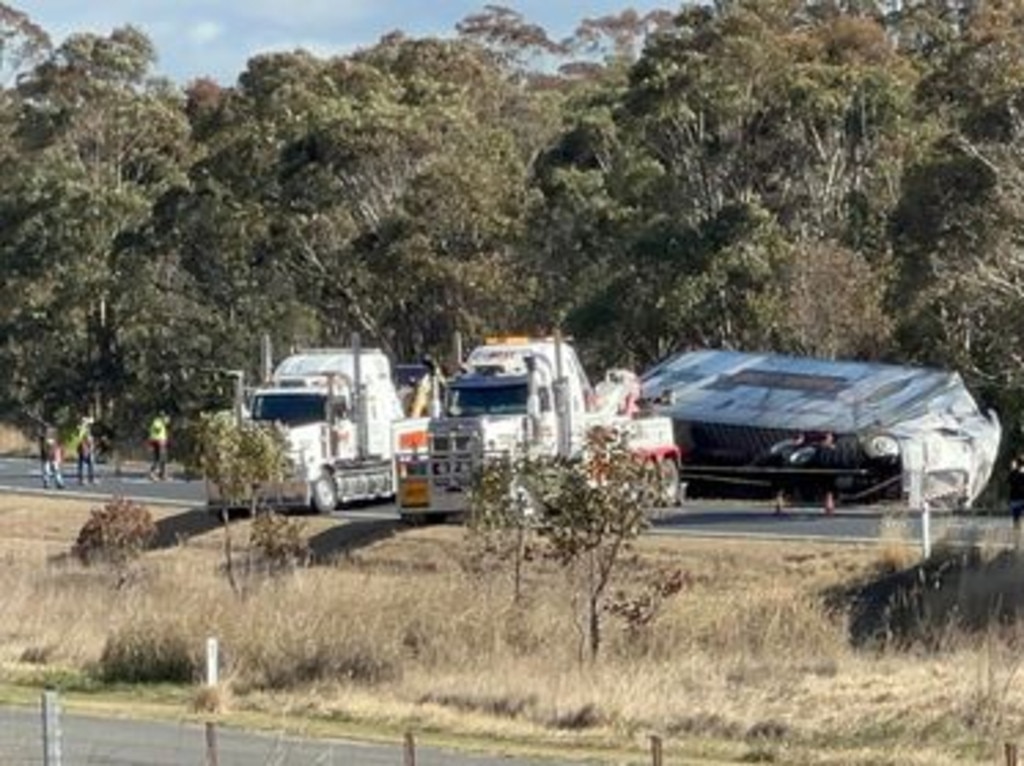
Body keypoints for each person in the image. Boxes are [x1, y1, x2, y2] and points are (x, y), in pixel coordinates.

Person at [75, 415, 96, 485]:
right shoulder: (82, 429)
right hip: (83, 449)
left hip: (89, 448)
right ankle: (82, 480)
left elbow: (90, 439)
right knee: (83, 465)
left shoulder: (88, 429)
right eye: (88, 422)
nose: (90, 424)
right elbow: (79, 438)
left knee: (91, 465)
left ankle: (91, 479)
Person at [148, 412, 169, 481]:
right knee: (158, 458)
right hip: (157, 441)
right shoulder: (157, 421)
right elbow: (157, 428)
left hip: (161, 441)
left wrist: (165, 422)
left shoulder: (162, 421)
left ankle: (162, 474)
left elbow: (167, 422)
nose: (164, 417)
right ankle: (152, 473)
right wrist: (163, 422)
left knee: (163, 458)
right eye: (163, 416)